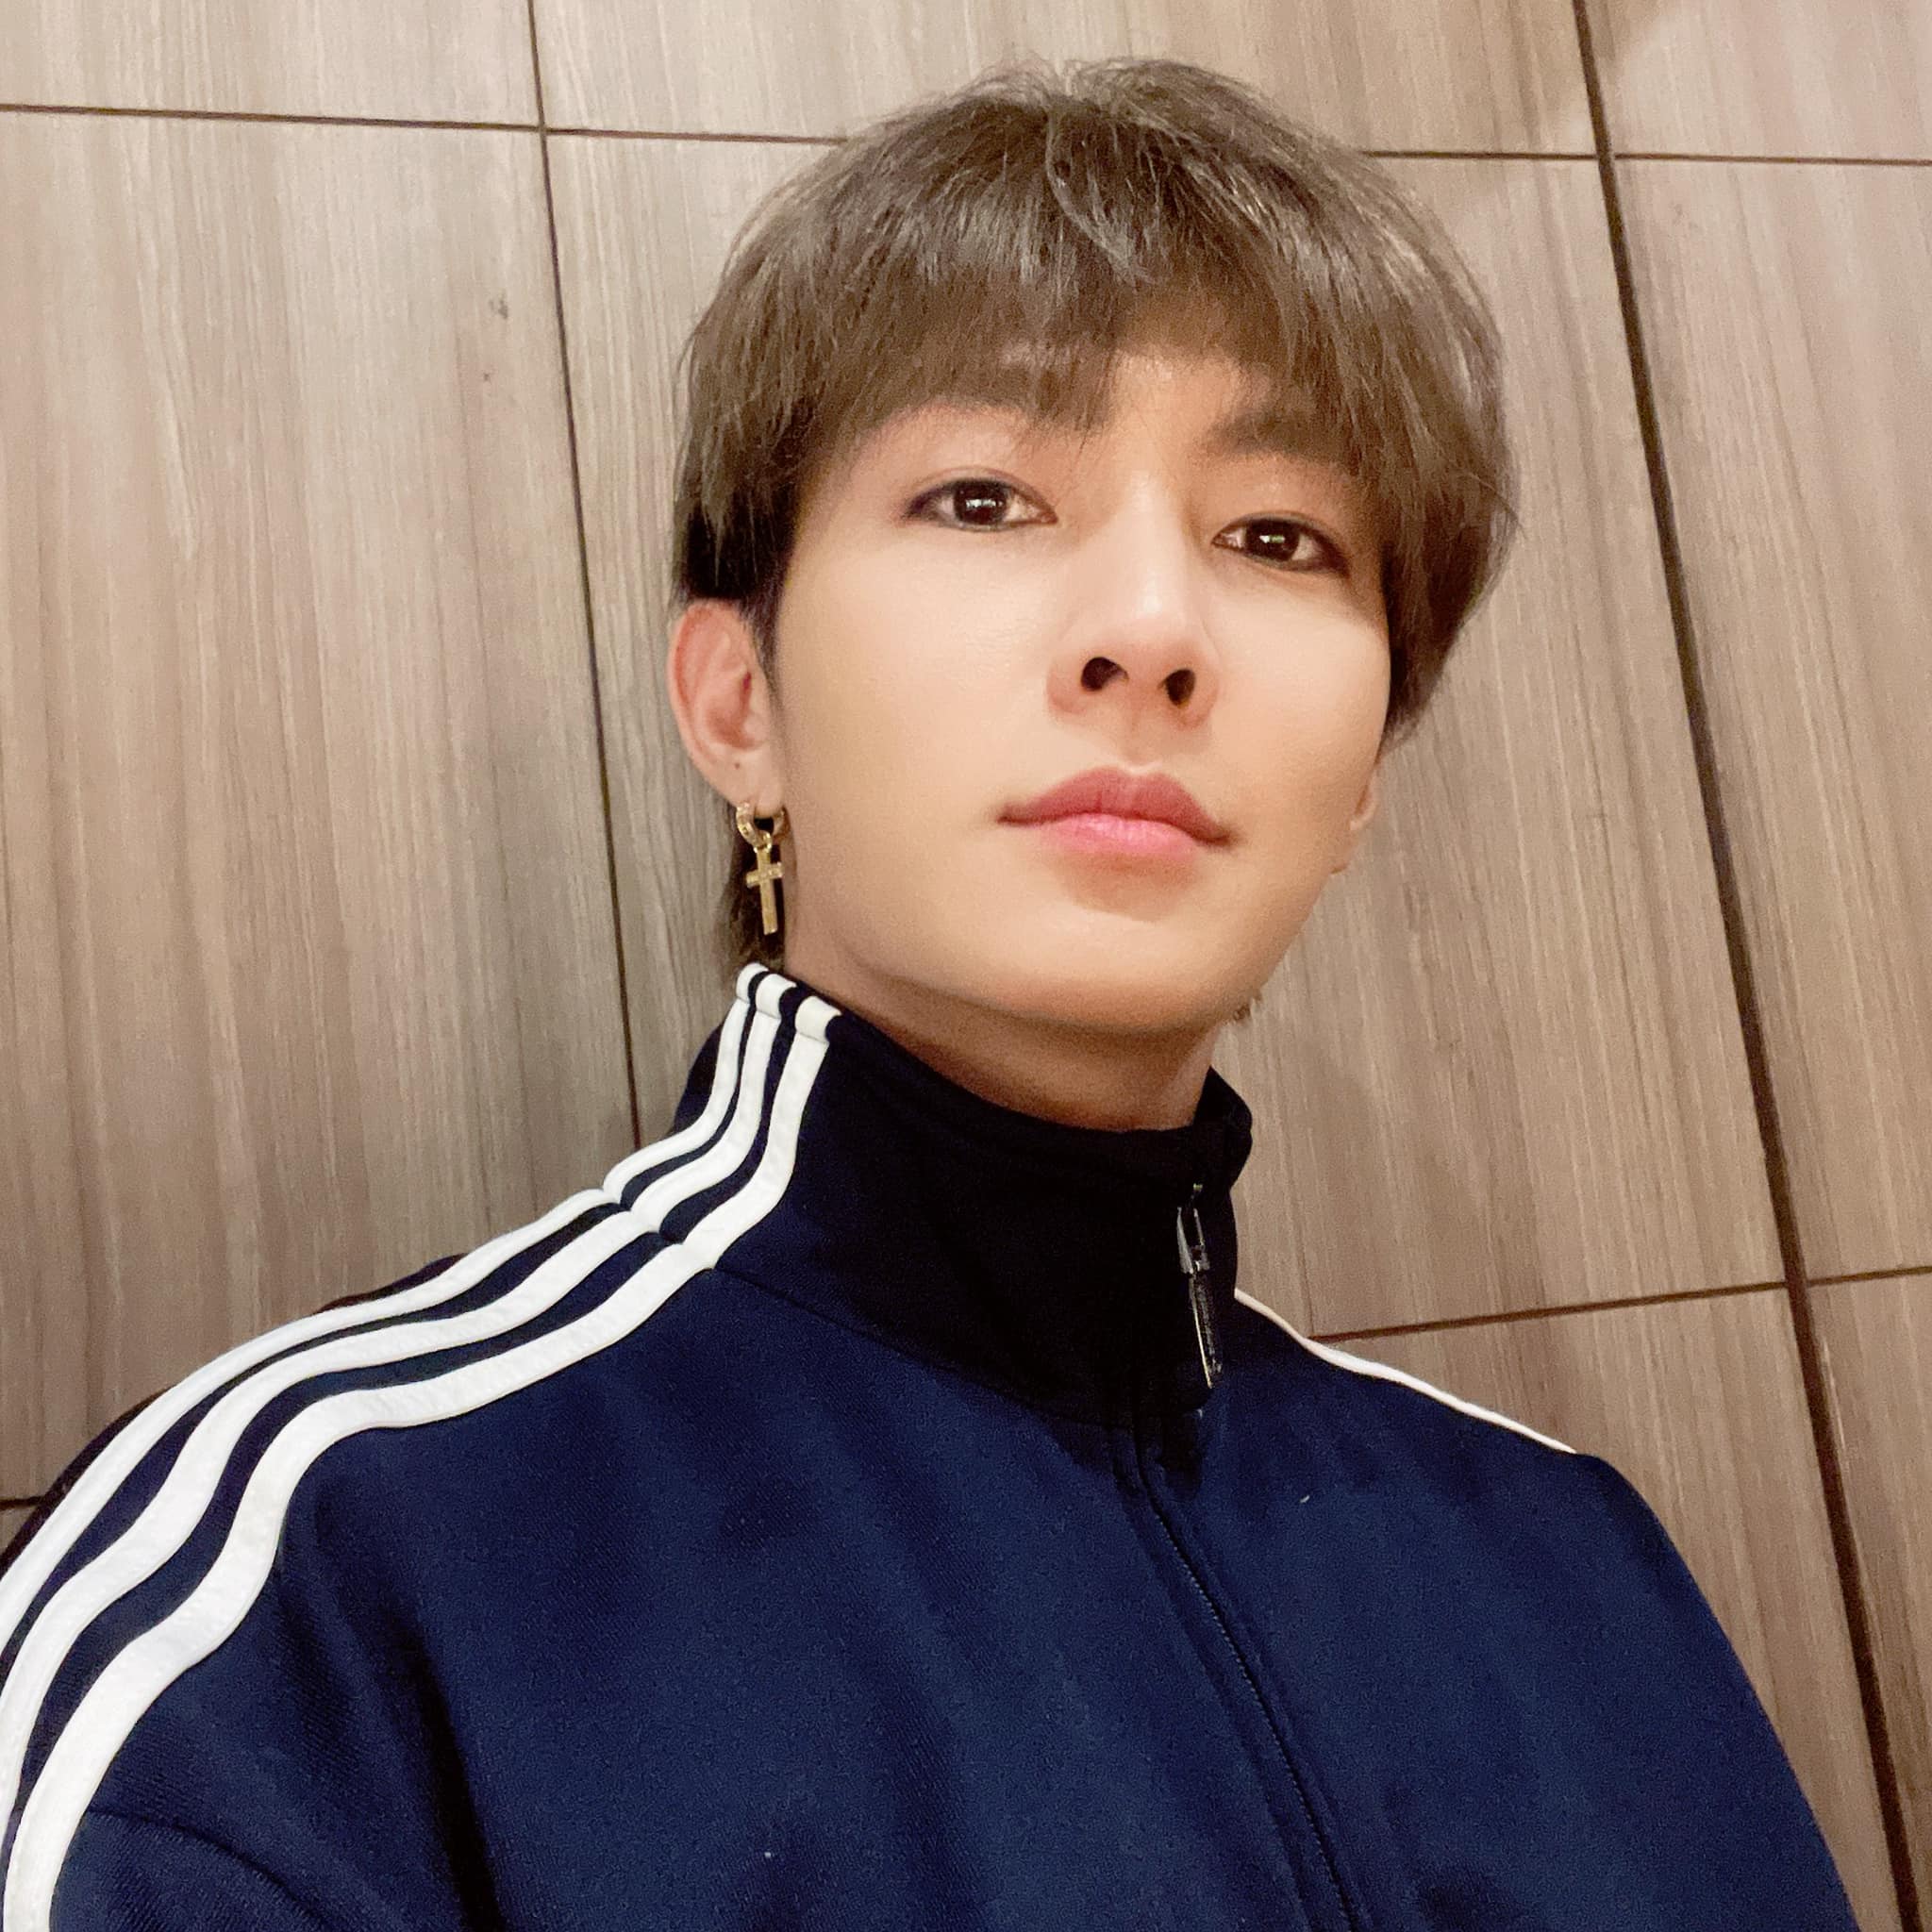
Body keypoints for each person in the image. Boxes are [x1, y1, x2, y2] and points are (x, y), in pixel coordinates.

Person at [0, 53, 1858, 1932]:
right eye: (983, 496)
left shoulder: (1566, 1562)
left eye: (1278, 535)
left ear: (1366, 768)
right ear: (738, 704)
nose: (1152, 629)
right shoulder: (306, 1599)